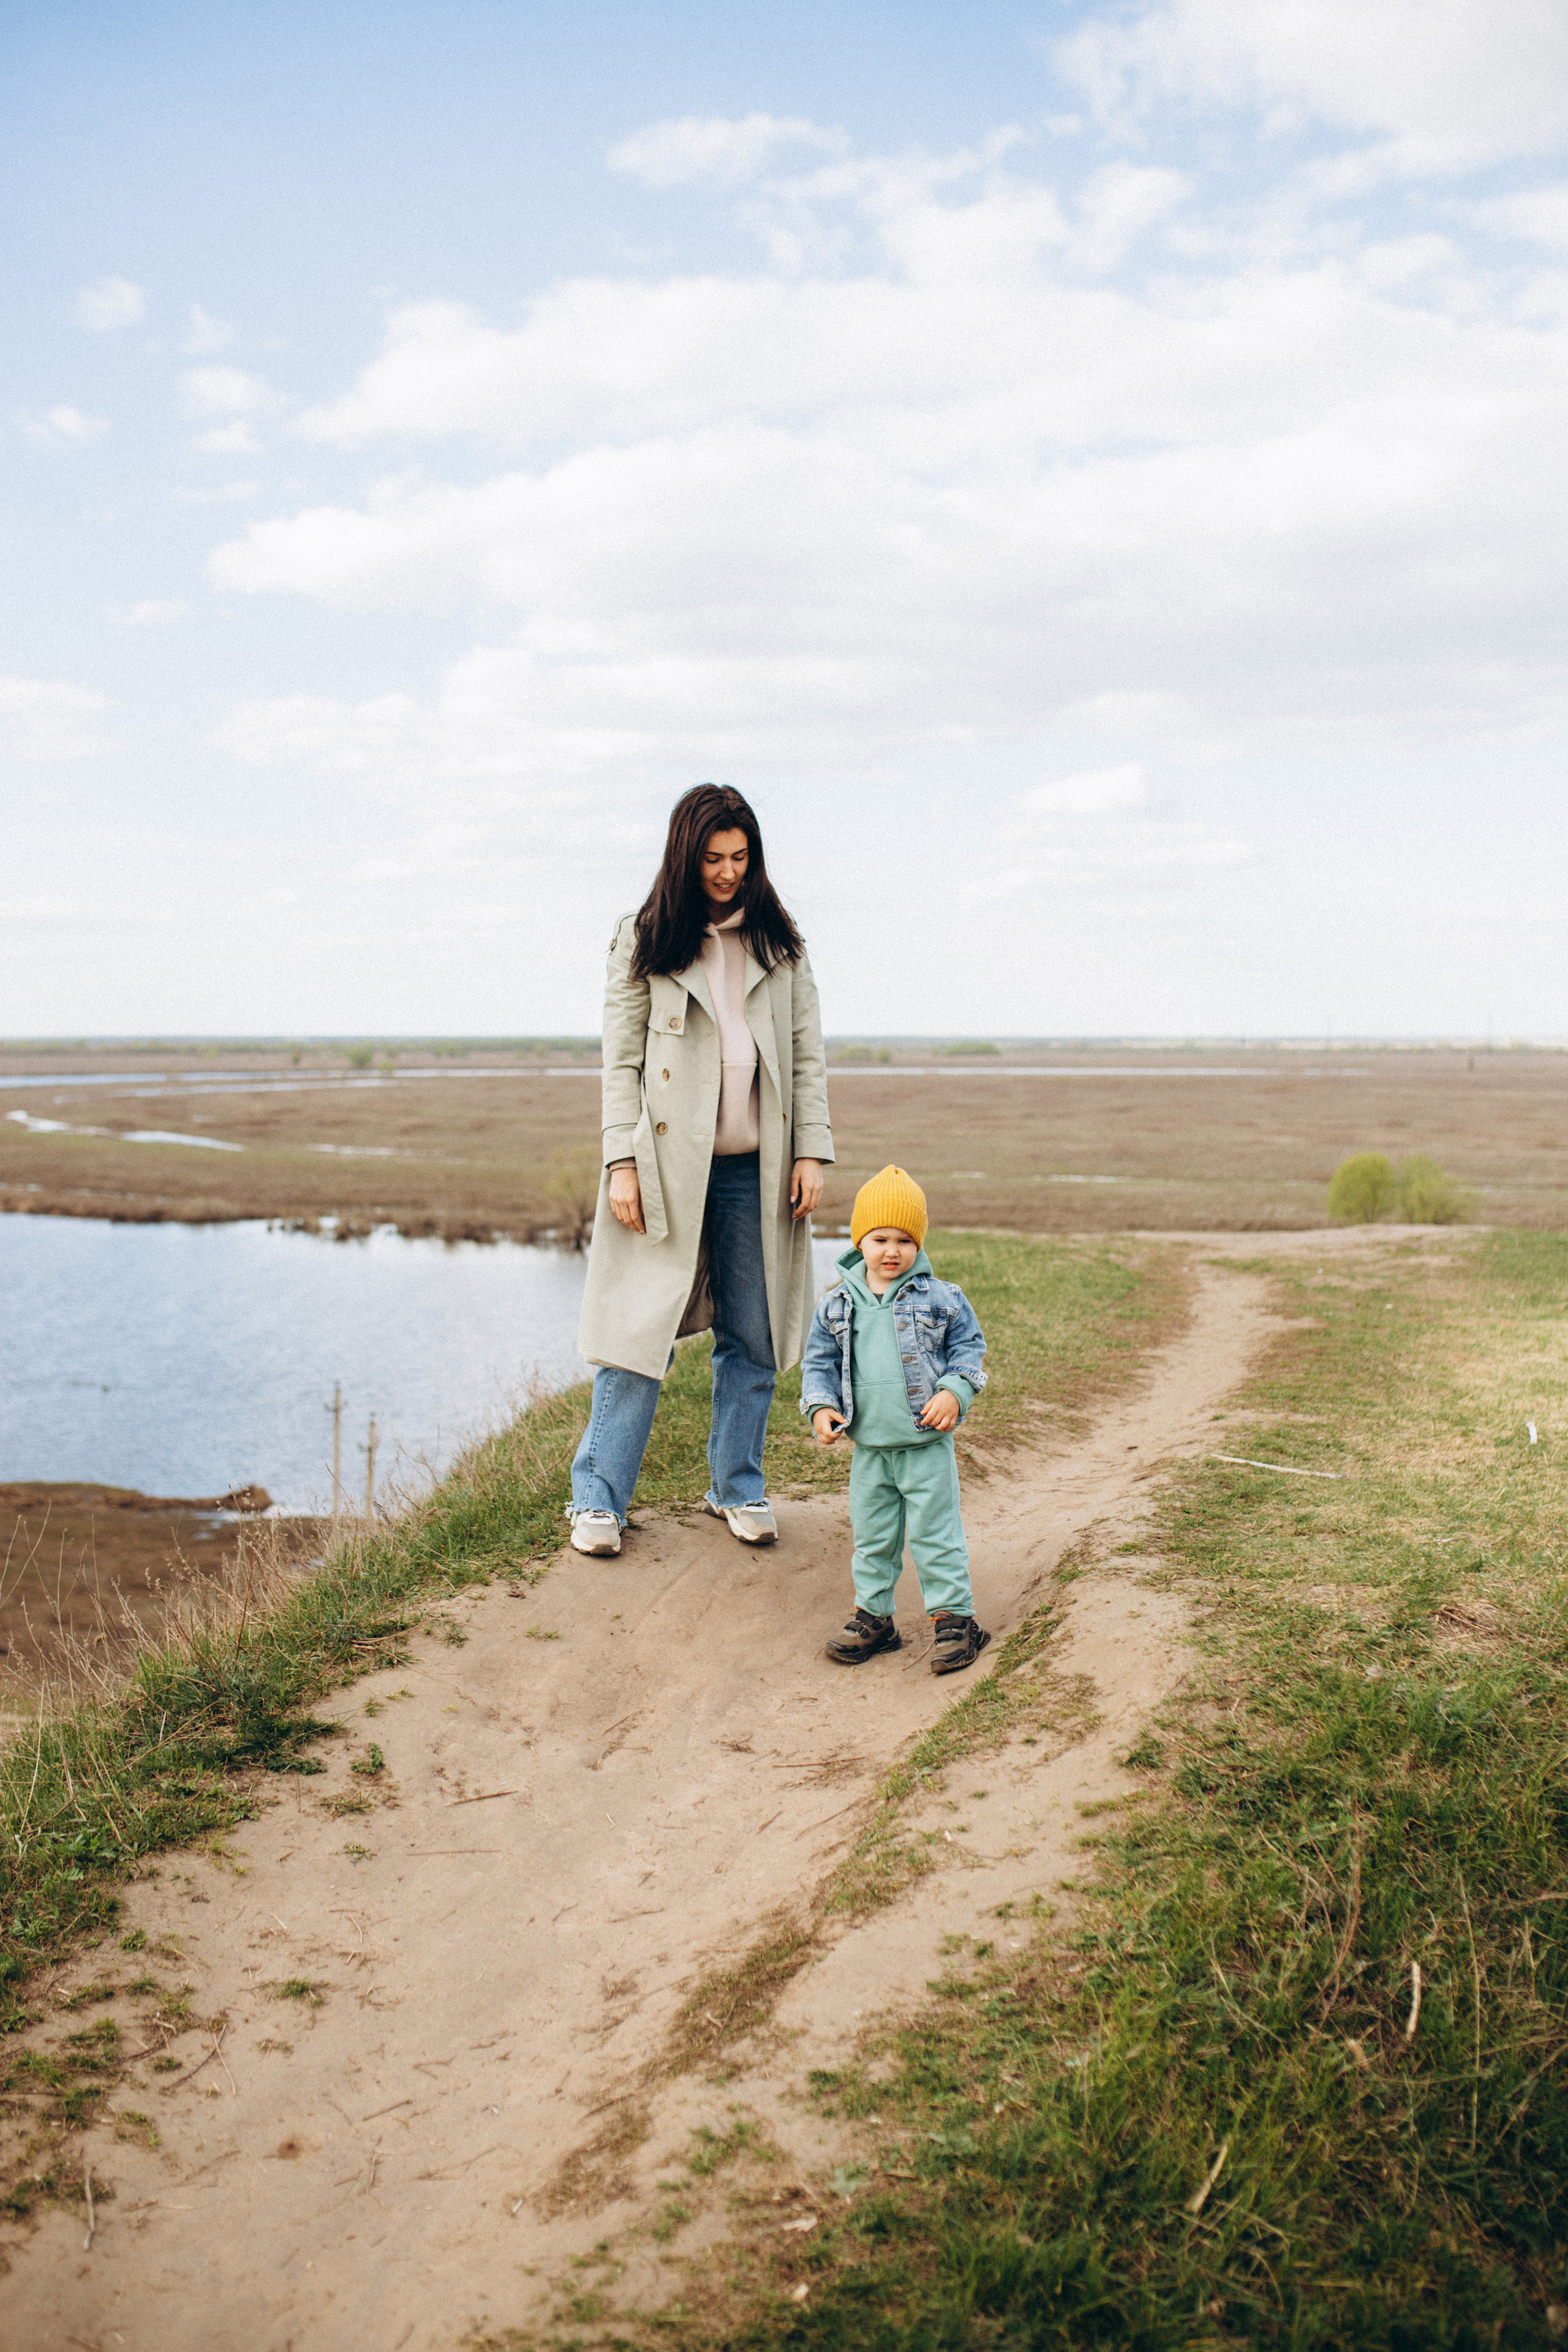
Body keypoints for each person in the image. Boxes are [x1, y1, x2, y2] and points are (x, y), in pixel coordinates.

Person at [569, 784, 834, 1556]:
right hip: (662, 1167)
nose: (727, 872)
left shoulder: (781, 945)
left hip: (761, 1167)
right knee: (636, 1332)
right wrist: (622, 1162)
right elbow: (620, 1062)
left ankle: (738, 1488)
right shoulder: (644, 937)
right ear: (686, 856)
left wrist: (812, 1149)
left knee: (752, 1334)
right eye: (713, 858)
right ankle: (597, 1502)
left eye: (740, 857)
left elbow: (807, 1056)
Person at [800, 1166, 990, 1674]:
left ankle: (955, 1619)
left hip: (924, 1444)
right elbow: (818, 1362)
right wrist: (820, 1407)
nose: (892, 1251)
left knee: (935, 1533)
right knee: (873, 1537)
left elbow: (969, 1350)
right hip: (871, 1450)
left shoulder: (941, 1298)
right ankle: (876, 1618)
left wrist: (955, 1391)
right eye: (880, 1238)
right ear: (859, 1239)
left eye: (905, 1240)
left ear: (919, 1243)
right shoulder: (835, 1305)